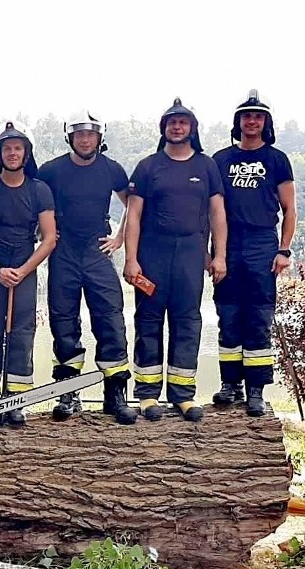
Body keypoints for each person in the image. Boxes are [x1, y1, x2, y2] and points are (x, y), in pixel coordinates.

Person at [123, 98, 227, 422]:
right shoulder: (148, 166)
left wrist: (220, 255)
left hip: (191, 255)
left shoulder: (206, 166)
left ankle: (183, 395)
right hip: (152, 254)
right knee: (148, 320)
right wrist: (130, 259)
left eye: (183, 122)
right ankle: (147, 394)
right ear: (164, 129)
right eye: (172, 122)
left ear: (192, 129)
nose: (177, 127)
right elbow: (134, 215)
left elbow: (218, 213)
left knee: (187, 320)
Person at [37, 109, 136, 424]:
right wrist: (45, 234)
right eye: (79, 134)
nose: (85, 139)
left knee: (111, 319)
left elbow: (134, 204)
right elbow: (34, 204)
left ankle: (115, 393)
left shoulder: (112, 169)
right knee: (63, 321)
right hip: (62, 250)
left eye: (90, 134)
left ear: (99, 137)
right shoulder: (50, 171)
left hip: (97, 250)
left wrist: (119, 236)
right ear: (70, 137)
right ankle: (69, 393)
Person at [0, 119, 56, 429]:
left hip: (24, 266)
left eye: (18, 148)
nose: (13, 153)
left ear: (27, 153)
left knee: (21, 333)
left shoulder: (39, 190)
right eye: (7, 148)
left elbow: (49, 238)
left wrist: (23, 271)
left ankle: (16, 402)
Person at [212, 90, 297, 416]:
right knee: (228, 318)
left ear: (266, 122)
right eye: (246, 116)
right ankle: (229, 386)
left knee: (258, 319)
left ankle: (256, 391)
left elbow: (290, 208)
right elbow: (210, 210)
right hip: (228, 245)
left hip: (263, 244)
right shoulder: (221, 160)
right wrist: (213, 253)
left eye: (258, 116)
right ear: (238, 122)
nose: (252, 121)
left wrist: (283, 250)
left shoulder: (276, 159)